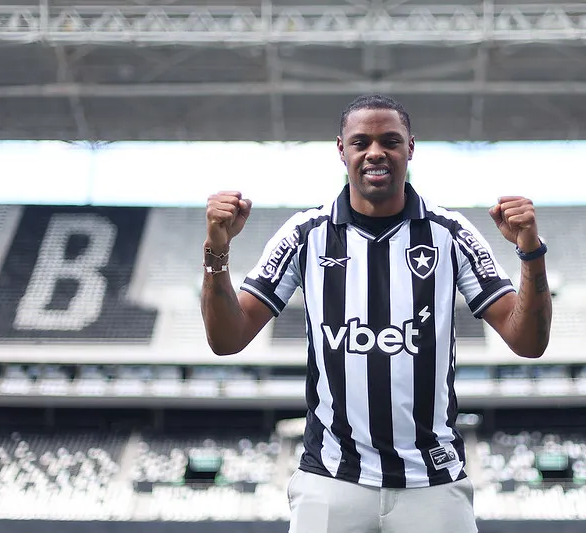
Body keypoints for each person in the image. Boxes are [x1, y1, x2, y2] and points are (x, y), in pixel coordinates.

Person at [201, 94, 553, 533]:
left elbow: (528, 342)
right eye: (360, 142)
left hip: (432, 482)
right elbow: (227, 339)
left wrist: (530, 253)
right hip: (331, 482)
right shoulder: (304, 235)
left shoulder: (451, 234)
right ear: (341, 150)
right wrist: (217, 250)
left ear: (410, 148)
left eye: (390, 141)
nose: (375, 153)